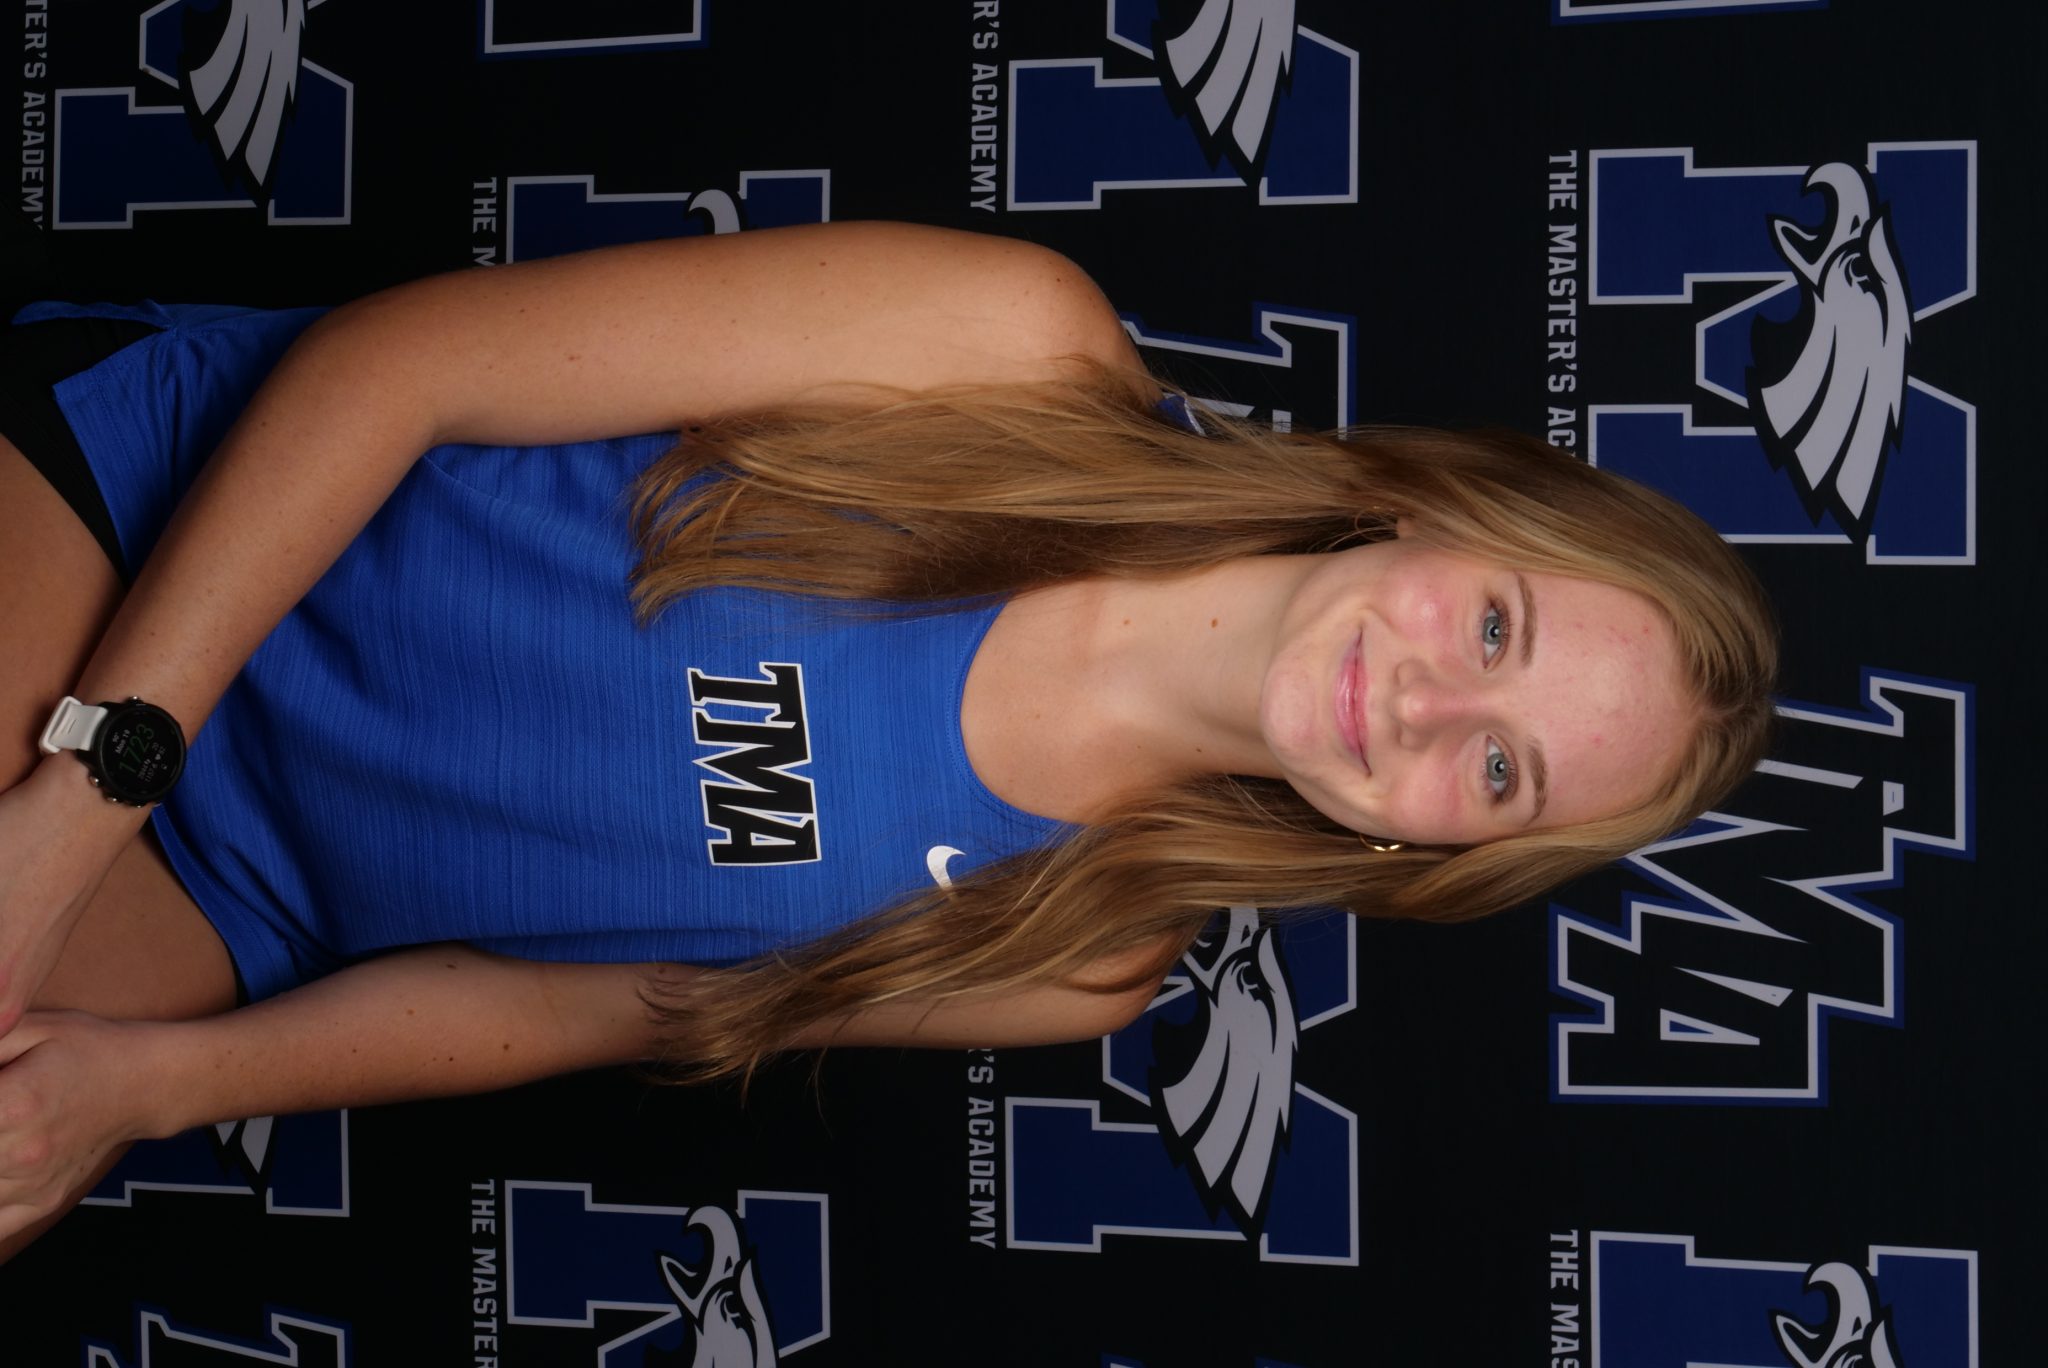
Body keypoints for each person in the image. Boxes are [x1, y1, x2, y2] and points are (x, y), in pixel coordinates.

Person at [0, 222, 1776, 1254]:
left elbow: (563, 1006)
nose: (1430, 704)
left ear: (1440, 855)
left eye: (1499, 772)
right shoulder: (1019, 350)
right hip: (155, 531)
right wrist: (77, 809)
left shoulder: (1080, 958)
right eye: (1495, 627)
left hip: (239, 888)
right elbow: (397, 371)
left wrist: (150, 1088)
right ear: (1438, 508)